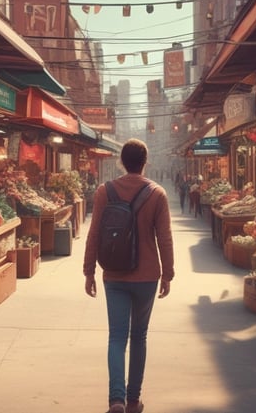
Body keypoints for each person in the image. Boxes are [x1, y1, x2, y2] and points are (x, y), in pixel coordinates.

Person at [83, 138, 174, 413]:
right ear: (145, 162)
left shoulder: (105, 191)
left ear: (121, 162)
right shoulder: (157, 194)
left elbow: (94, 234)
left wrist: (89, 271)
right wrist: (168, 273)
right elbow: (165, 238)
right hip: (147, 276)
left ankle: (116, 400)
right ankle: (134, 400)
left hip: (114, 275)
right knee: (139, 336)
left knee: (116, 337)